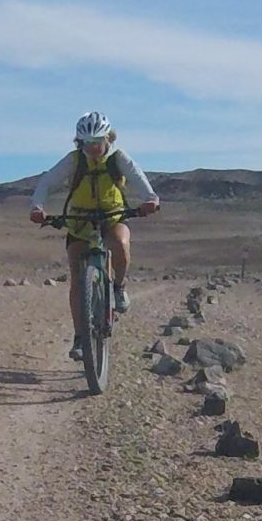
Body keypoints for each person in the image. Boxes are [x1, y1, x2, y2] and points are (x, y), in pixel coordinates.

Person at [27, 112, 160, 358]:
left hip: (112, 216)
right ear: (80, 142)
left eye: (98, 140)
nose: (93, 147)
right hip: (79, 220)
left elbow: (138, 179)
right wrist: (37, 206)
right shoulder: (74, 160)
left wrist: (150, 200)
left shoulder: (118, 159)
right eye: (87, 142)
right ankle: (80, 338)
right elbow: (47, 181)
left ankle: (119, 286)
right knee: (77, 277)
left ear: (108, 137)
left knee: (120, 242)